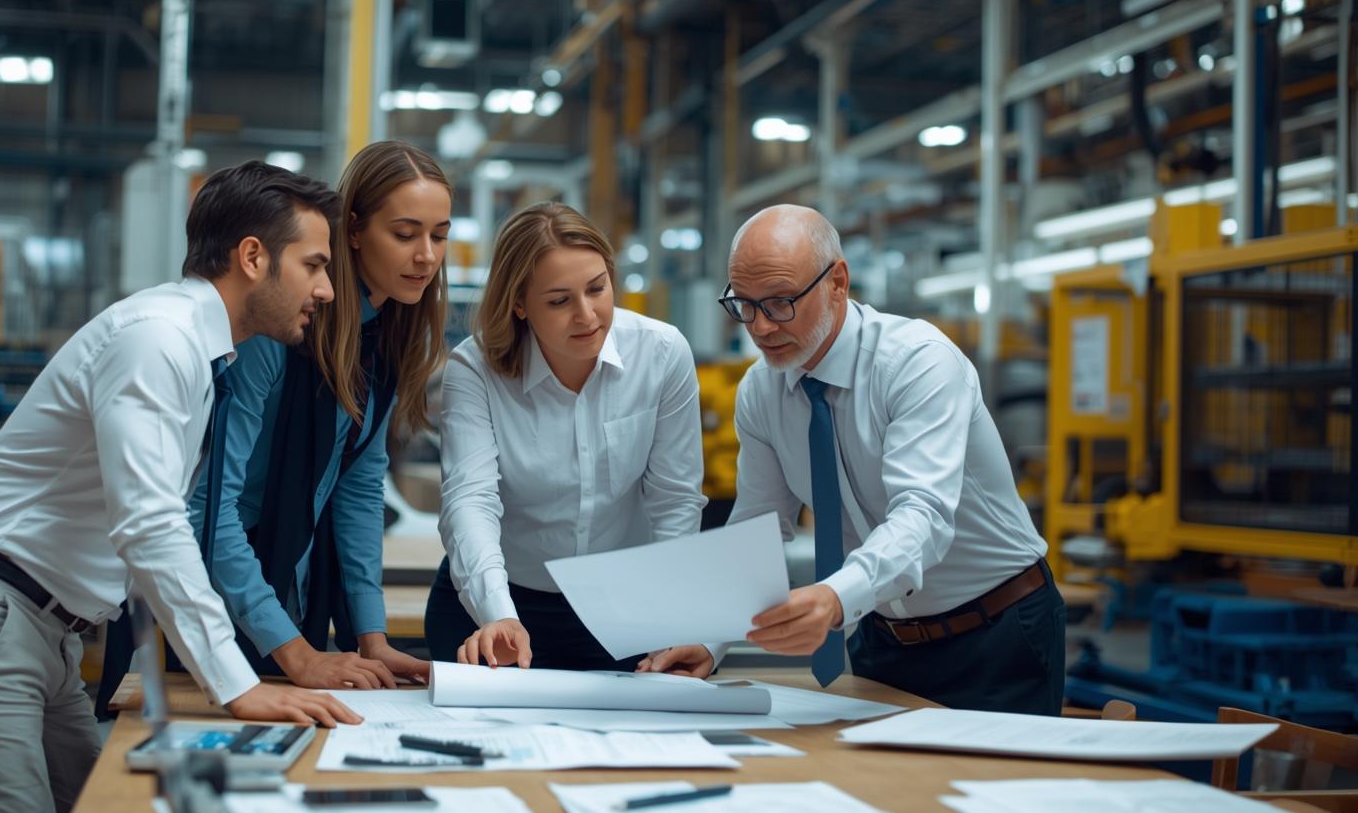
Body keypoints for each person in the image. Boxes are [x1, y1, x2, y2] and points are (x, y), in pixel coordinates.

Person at [0, 161, 362, 813]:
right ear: (253, 257)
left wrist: (184, 683)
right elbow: (150, 525)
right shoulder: (158, 341)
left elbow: (143, 531)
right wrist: (235, 683)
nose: (325, 289)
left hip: (40, 630)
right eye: (314, 265)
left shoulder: (198, 354)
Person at [700, 203, 1064, 715]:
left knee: (991, 794)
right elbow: (756, 529)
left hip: (996, 631)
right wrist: (707, 639)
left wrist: (834, 597)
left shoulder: (917, 363)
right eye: (744, 304)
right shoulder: (762, 391)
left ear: (837, 282)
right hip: (881, 635)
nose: (759, 327)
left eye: (780, 303)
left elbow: (923, 515)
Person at [184, 140, 449, 688]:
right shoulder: (279, 327)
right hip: (225, 595)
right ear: (351, 230)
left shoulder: (387, 334)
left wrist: (371, 636)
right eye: (404, 234)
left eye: (440, 235)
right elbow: (210, 508)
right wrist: (295, 652)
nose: (426, 255)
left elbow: (356, 487)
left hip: (290, 591)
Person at [429, 201, 714, 673]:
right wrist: (498, 615)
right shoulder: (474, 369)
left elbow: (675, 500)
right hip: (498, 608)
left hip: (622, 611)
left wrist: (674, 615)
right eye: (559, 301)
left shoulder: (662, 354)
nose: (587, 315)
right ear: (519, 303)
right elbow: (469, 500)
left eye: (597, 289)